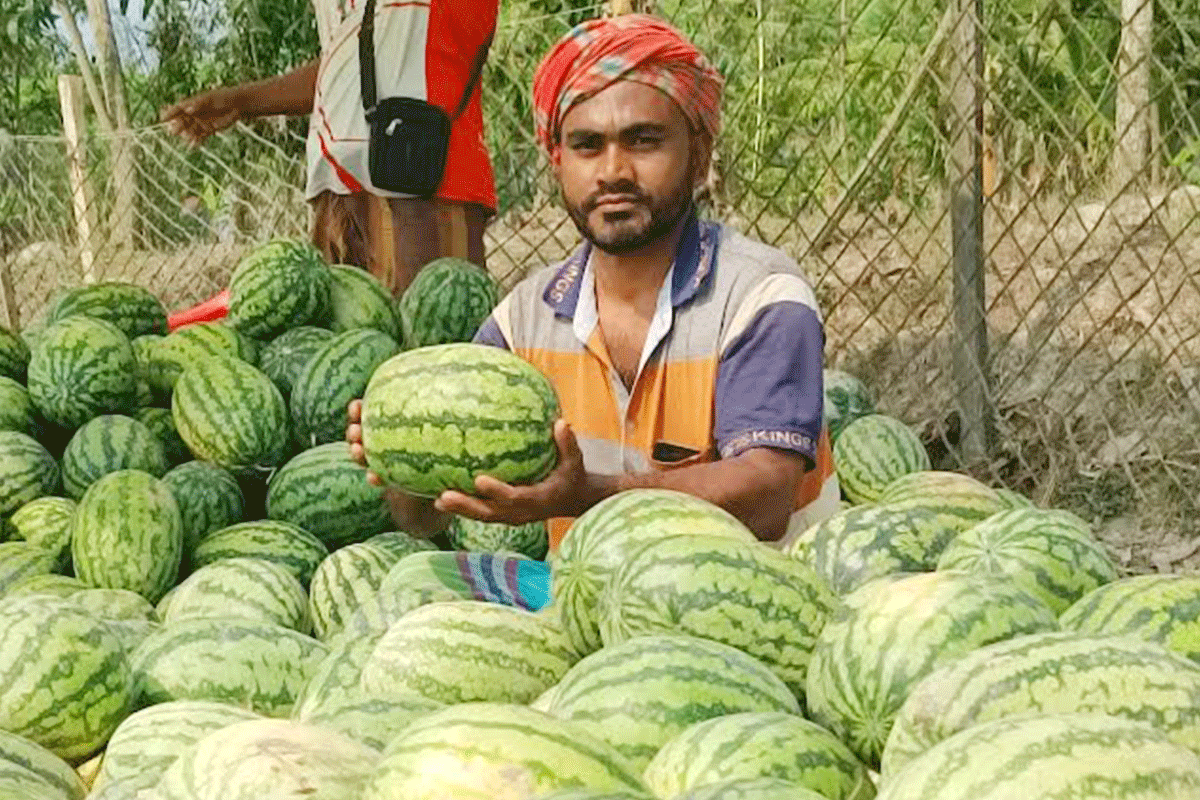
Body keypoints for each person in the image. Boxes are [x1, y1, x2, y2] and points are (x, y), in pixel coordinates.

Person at [348, 13, 839, 551]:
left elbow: (766, 496)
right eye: (587, 146)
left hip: (748, 603)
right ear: (557, 162)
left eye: (643, 141)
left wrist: (582, 495)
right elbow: (424, 521)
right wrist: (399, 459)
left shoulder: (761, 297)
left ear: (699, 157)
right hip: (592, 604)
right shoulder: (524, 321)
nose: (613, 171)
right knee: (415, 595)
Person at [160, 0, 498, 296]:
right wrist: (242, 101)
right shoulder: (363, 9)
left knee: (431, 354)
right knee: (346, 356)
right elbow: (334, 76)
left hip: (419, 193)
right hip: (340, 197)